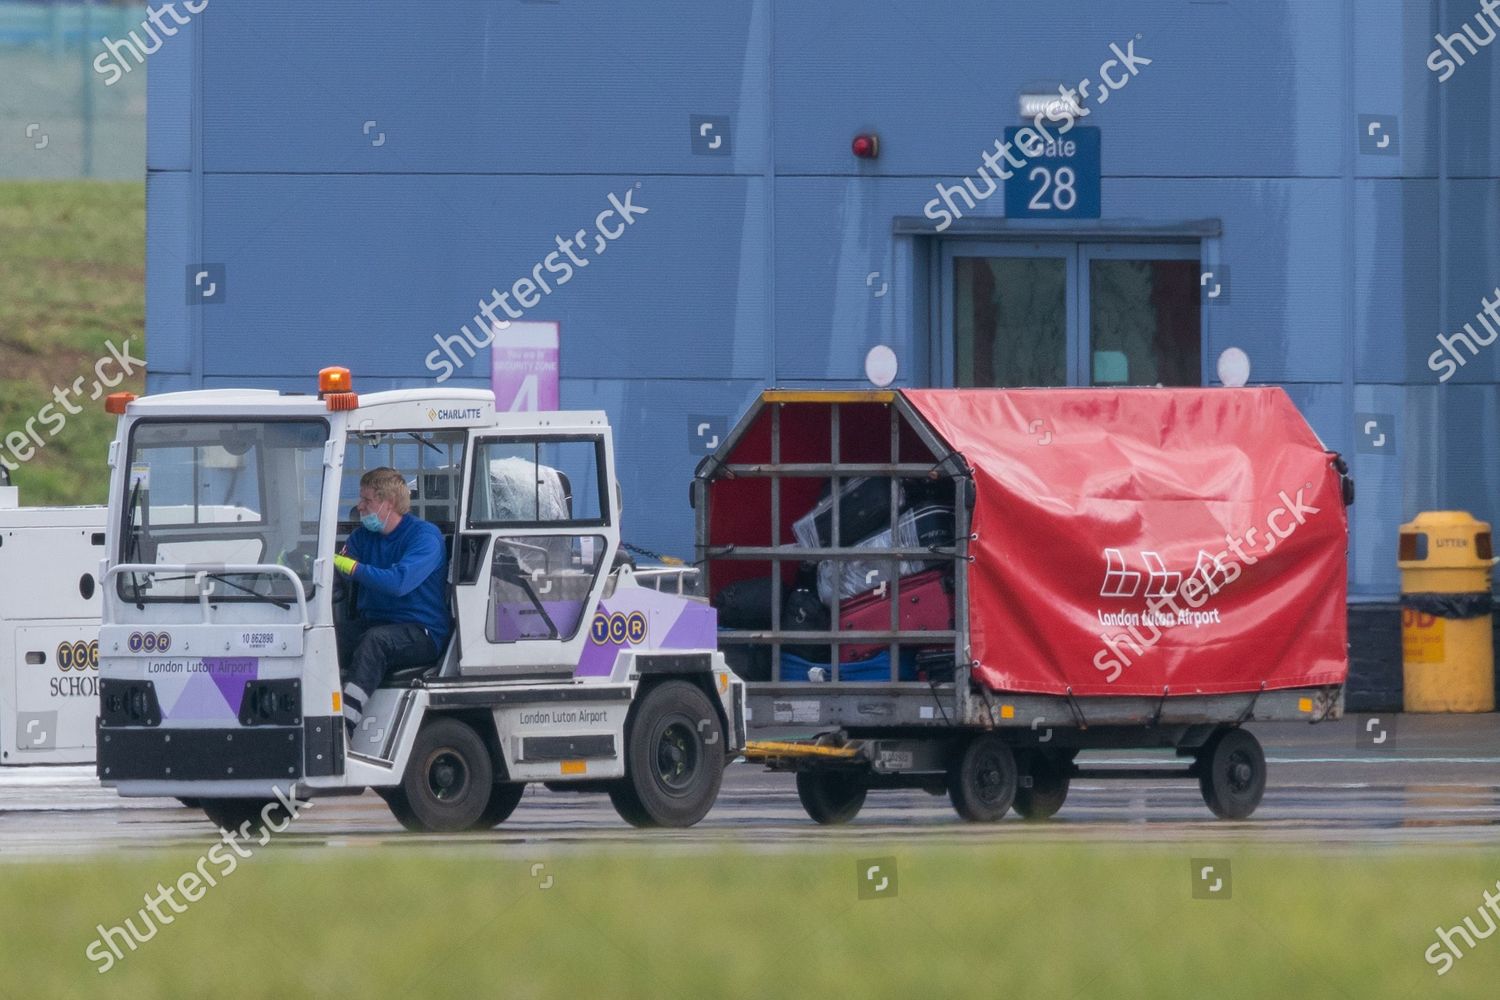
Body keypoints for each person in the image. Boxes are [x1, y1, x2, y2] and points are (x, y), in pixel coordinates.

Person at [334, 468, 451, 738]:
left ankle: (342, 727)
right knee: (329, 638)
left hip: (421, 631)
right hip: (376, 622)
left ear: (388, 504)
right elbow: (339, 568)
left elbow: (398, 583)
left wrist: (352, 569)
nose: (360, 506)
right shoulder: (363, 537)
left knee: (376, 641)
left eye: (367, 500)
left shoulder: (425, 537)